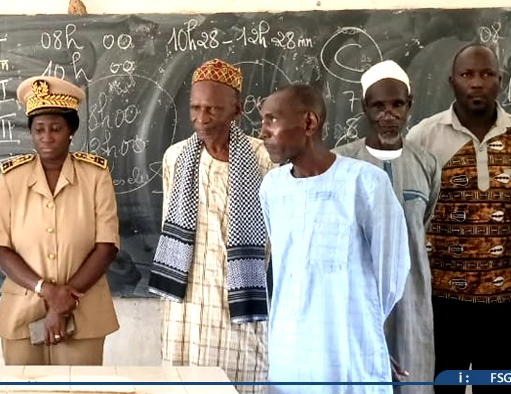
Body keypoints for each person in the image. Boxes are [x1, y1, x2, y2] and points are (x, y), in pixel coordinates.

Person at [257, 83, 409, 393]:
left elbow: (391, 271)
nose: (262, 132)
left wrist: (363, 326)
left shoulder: (365, 184)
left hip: (347, 351)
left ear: (309, 123)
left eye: (272, 120)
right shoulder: (273, 187)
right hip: (289, 353)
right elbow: (286, 267)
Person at [406, 44, 511, 393]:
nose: (477, 83)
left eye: (486, 74)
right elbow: (410, 214)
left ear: (500, 80)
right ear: (452, 82)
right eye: (467, 75)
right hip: (442, 298)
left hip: (506, 298)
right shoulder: (424, 137)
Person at [149, 58, 275, 391]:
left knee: (242, 384)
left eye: (212, 110)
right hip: (185, 307)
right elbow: (168, 225)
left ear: (236, 110)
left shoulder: (264, 160)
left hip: (239, 304)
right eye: (195, 108)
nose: (201, 119)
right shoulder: (175, 157)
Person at [0, 75, 120, 365]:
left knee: (78, 389)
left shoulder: (96, 176)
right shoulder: (12, 177)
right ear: (31, 133)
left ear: (71, 130)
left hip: (84, 309)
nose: (47, 137)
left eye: (56, 129)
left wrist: (64, 300)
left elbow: (106, 246)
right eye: (39, 129)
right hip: (22, 306)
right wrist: (47, 291)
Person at [334, 60, 440, 393]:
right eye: (378, 106)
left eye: (396, 104)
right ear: (365, 107)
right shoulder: (340, 164)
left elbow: (422, 222)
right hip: (357, 302)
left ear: (410, 105)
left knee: (413, 383)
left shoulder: (426, 164)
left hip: (413, 301)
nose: (388, 114)